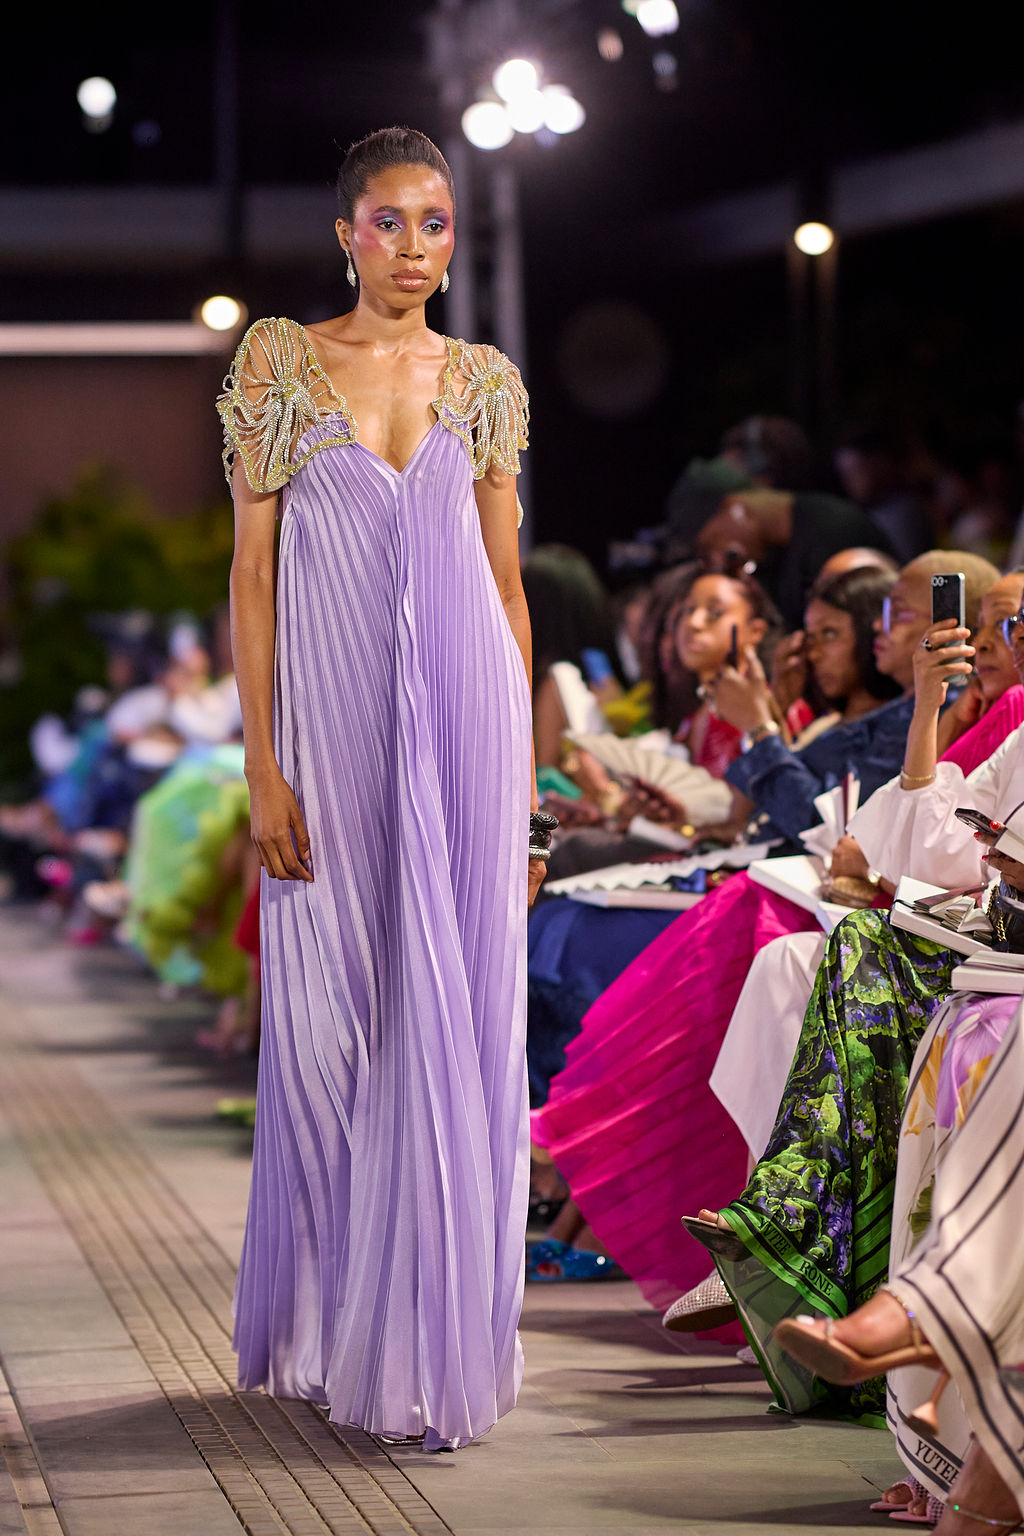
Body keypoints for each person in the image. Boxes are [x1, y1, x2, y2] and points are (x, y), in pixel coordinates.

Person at [221, 127, 539, 1452]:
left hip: (471, 726)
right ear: (347, 233)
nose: (414, 248)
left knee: (459, 1020)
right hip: (331, 729)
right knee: (326, 1026)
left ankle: (432, 1343)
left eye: (436, 223)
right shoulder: (280, 363)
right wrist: (263, 767)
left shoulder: (485, 380)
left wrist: (527, 795)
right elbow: (251, 577)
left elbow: (506, 589)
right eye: (390, 222)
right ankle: (333, 1325)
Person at [528, 556, 950, 1293]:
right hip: (778, 878)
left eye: (896, 617)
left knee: (665, 936)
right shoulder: (831, 713)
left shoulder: (897, 718)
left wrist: (761, 726)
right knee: (569, 919)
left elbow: (828, 824)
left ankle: (577, 1161)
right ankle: (575, 1169)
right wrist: (684, 810)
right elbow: (749, 818)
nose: (887, 633)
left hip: (851, 902)